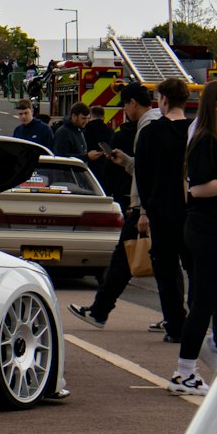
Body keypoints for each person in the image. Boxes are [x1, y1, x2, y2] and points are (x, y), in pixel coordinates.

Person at [70, 83, 160, 330]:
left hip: (145, 206)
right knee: (161, 262)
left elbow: (146, 172)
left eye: (124, 105)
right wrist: (127, 162)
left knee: (124, 260)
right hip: (157, 205)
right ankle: (174, 319)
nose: (125, 111)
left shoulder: (147, 126)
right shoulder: (159, 123)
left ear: (132, 103)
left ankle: (100, 311)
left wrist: (142, 209)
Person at [169, 81, 217, 396]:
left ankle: (199, 358)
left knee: (210, 300)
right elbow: (197, 188)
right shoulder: (204, 141)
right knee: (203, 302)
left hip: (211, 229)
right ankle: (184, 371)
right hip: (205, 229)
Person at [135, 78, 191, 345]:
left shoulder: (150, 133)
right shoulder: (196, 130)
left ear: (165, 100)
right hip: (195, 211)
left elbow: (142, 175)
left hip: (162, 211)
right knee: (197, 269)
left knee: (167, 272)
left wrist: (145, 209)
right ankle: (201, 319)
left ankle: (175, 325)